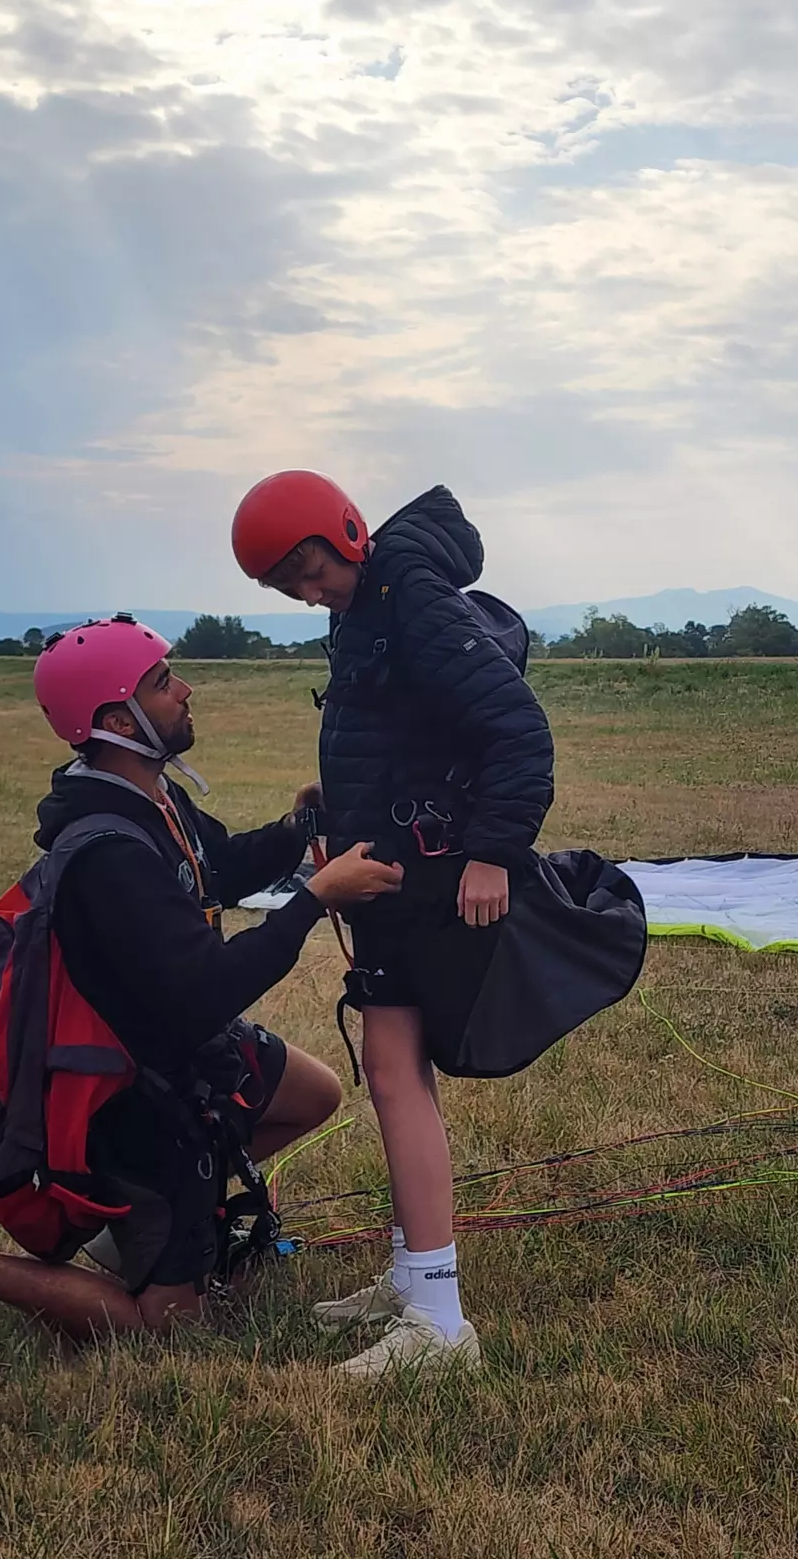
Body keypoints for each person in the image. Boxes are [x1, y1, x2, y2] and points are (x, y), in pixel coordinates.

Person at [0, 614, 401, 1347]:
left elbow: (214, 863)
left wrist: (295, 827)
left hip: (177, 1050)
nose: (184, 691)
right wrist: (314, 899)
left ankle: (156, 1231)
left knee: (311, 1094)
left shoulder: (148, 799)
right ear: (118, 718)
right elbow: (208, 988)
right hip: (127, 1095)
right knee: (164, 1330)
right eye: (162, 683)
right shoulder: (108, 852)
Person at [232, 473, 555, 1375]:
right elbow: (401, 727)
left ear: (344, 532)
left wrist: (493, 853)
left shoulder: (408, 592)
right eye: (284, 586)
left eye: (307, 570)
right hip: (387, 874)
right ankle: (417, 1281)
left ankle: (440, 1321)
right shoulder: (366, 600)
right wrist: (336, 798)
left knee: (392, 1071)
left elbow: (516, 729)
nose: (306, 592)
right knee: (391, 1071)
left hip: (427, 879)